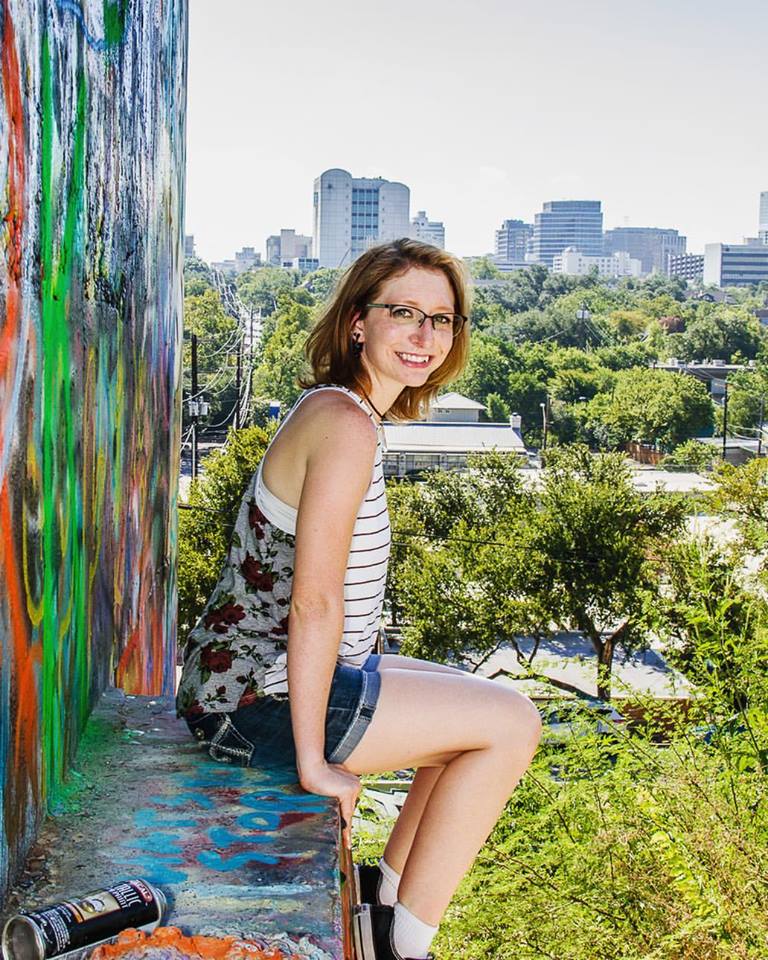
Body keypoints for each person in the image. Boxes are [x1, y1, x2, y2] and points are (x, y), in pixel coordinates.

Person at [176, 238, 542, 960]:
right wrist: (313, 762)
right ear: (357, 322)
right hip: (249, 703)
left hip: (250, 682)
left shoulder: (349, 416)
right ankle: (405, 947)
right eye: (404, 312)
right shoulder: (343, 425)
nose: (424, 337)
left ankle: (385, 906)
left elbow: (343, 603)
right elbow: (314, 602)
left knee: (470, 709)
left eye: (442, 320)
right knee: (513, 723)